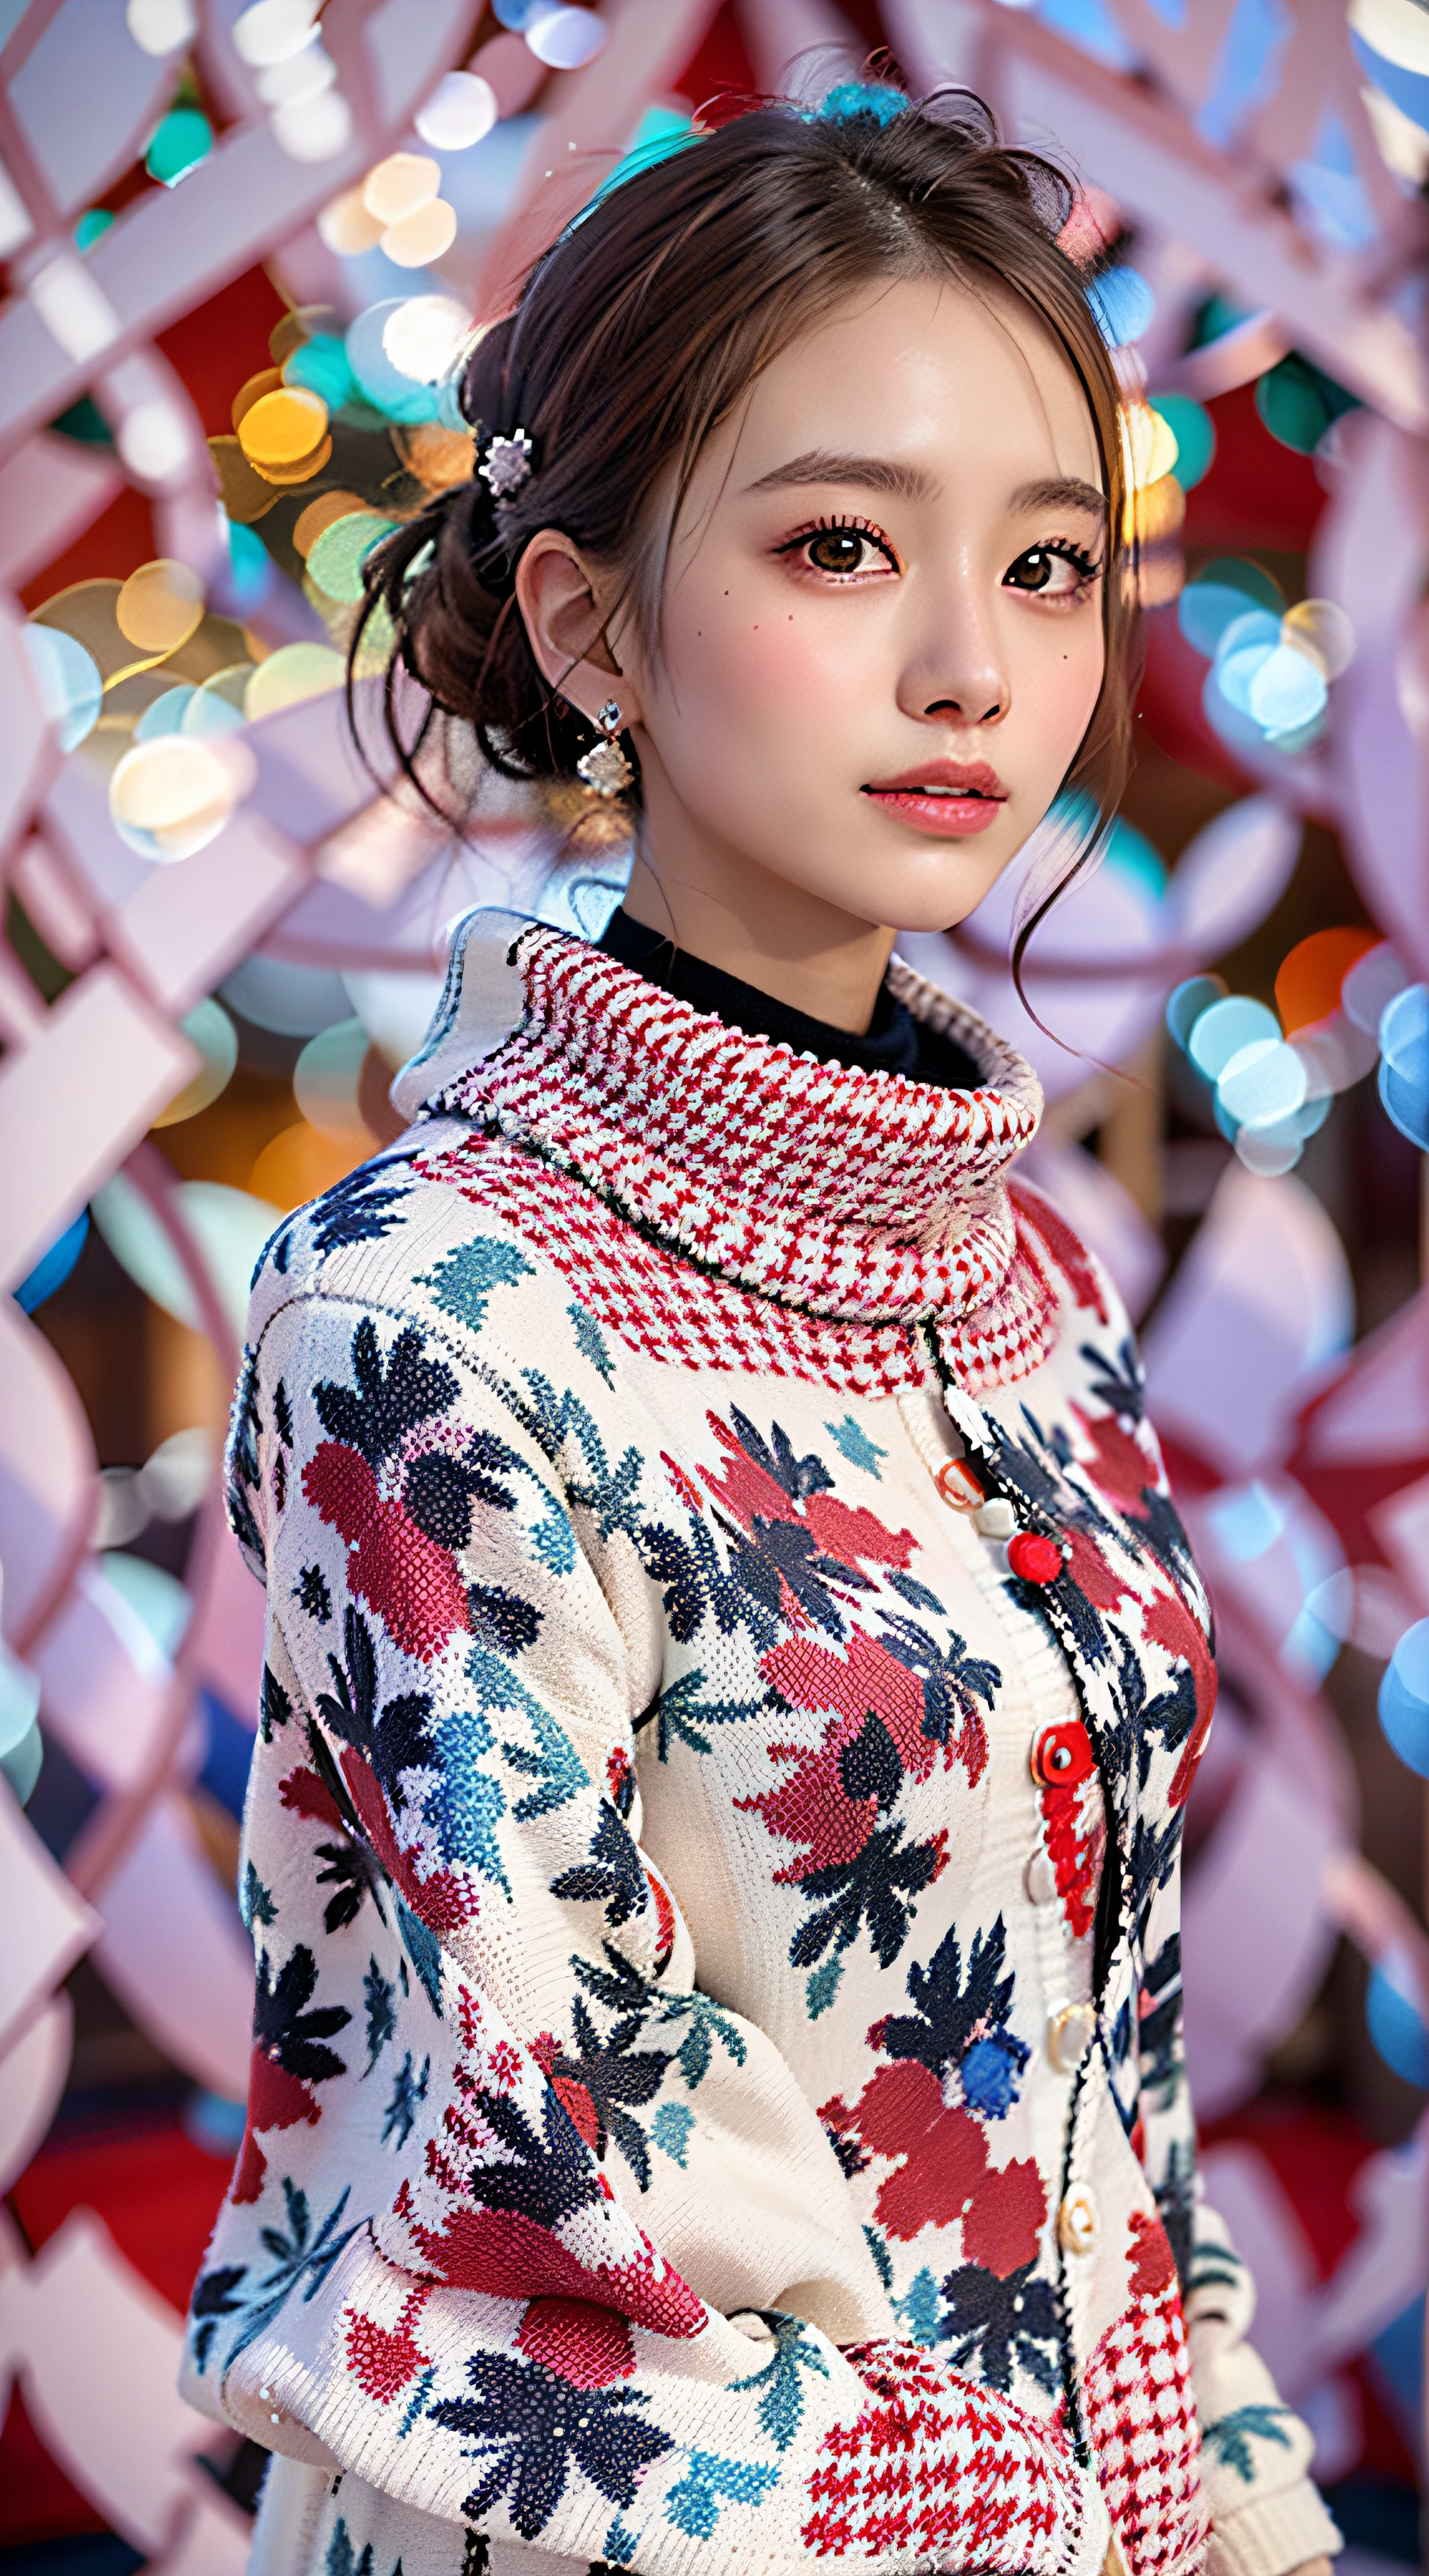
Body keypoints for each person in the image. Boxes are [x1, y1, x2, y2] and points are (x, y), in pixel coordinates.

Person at [182, 85, 1342, 2576]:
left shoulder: (1025, 1286)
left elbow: (1102, 2106)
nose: (970, 666)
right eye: (840, 545)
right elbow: (566, 2180)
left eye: (1047, 566)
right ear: (591, 623)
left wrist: (1240, 2522)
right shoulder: (428, 1315)